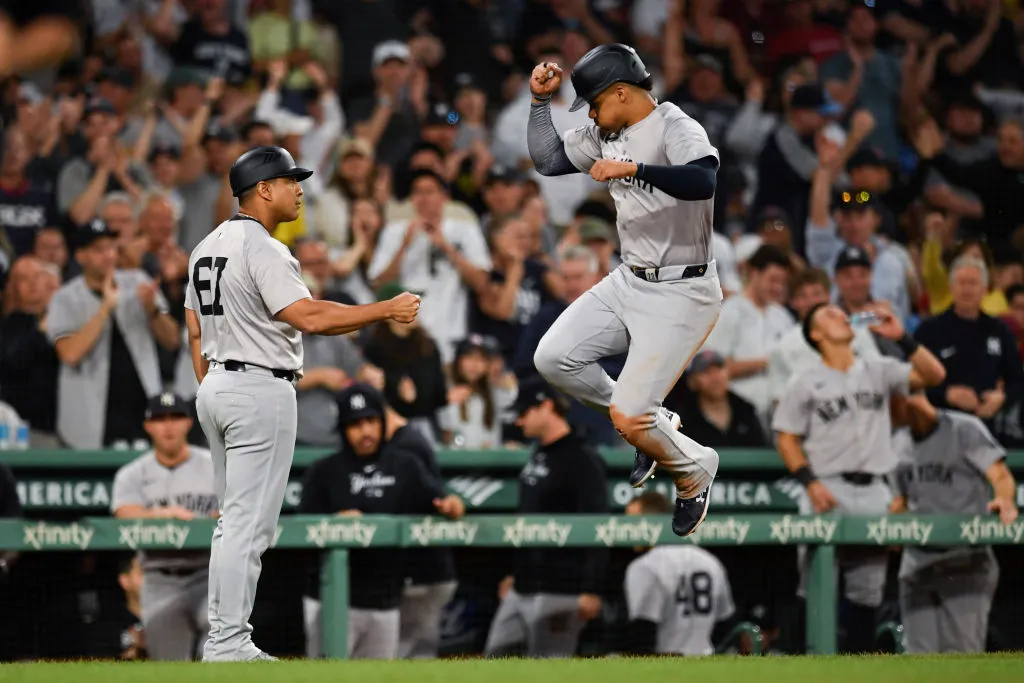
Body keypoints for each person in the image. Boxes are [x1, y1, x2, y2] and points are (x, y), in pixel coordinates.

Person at [184, 145, 421, 662]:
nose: (299, 189)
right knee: (248, 525)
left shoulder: (205, 246)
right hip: (257, 388)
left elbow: (194, 326)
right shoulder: (262, 247)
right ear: (262, 189)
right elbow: (307, 316)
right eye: (290, 181)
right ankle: (227, 642)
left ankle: (224, 638)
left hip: (219, 385)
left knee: (233, 522)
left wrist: (210, 385)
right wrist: (383, 308)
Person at [527, 43, 722, 537]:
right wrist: (537, 104)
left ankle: (693, 467)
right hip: (630, 278)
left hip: (684, 290)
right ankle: (653, 425)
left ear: (621, 91)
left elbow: (703, 181)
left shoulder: (675, 125)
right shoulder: (604, 131)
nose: (590, 115)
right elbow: (548, 160)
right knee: (553, 359)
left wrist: (634, 169)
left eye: (594, 103)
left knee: (632, 414)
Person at [772, 302, 946, 652]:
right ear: (816, 335)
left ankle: (858, 666)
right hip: (828, 487)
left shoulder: (878, 369)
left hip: (873, 491)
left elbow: (934, 376)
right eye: (828, 315)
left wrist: (903, 338)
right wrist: (811, 483)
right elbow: (786, 437)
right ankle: (795, 664)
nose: (840, 314)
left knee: (867, 592)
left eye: (840, 311)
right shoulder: (804, 380)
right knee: (815, 586)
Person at [298, 383, 464, 660]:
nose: (365, 431)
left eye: (371, 421)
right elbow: (302, 531)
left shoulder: (405, 465)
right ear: (342, 429)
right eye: (355, 424)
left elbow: (440, 502)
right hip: (333, 599)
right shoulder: (323, 472)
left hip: (385, 598)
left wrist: (453, 505)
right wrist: (332, 523)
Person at [484, 377, 608, 658]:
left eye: (525, 412)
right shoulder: (539, 452)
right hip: (525, 584)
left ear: (547, 406)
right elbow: (527, 516)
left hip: (561, 587)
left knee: (550, 668)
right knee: (494, 660)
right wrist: (515, 573)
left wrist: (591, 589)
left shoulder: (582, 460)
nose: (518, 421)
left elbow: (599, 526)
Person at [891, 392, 1018, 654]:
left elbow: (1001, 476)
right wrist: (894, 517)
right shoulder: (897, 442)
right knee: (918, 661)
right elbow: (900, 501)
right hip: (917, 562)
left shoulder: (964, 428)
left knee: (961, 659)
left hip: (965, 558)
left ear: (908, 399)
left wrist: (1004, 499)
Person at [45, 220, 180, 449]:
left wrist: (153, 310)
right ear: (80, 256)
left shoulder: (138, 281)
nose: (108, 255)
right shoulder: (65, 298)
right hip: (90, 421)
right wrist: (106, 307)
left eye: (111, 247)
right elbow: (69, 354)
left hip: (143, 413)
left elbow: (172, 340)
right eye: (98, 250)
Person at [111, 393, 217, 661]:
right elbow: (124, 513)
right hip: (159, 578)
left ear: (189, 423)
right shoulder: (132, 474)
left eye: (176, 418)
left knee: (218, 656)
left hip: (208, 575)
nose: (168, 426)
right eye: (159, 419)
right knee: (170, 669)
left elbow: (233, 509)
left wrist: (200, 521)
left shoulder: (215, 465)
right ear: (147, 426)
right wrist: (162, 514)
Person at [913, 255, 1023, 428]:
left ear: (985, 290)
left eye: (973, 283)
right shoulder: (929, 331)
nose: (967, 290)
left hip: (987, 427)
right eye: (961, 283)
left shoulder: (999, 331)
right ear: (951, 288)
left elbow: (1018, 381)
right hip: (941, 426)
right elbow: (911, 381)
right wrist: (946, 394)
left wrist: (1002, 398)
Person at [622, 491, 736, 656]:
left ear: (652, 522)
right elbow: (724, 625)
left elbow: (642, 632)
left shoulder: (644, 566)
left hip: (665, 665)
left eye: (633, 522)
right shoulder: (710, 561)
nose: (627, 529)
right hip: (707, 663)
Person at [704, 244, 795, 425]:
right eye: (773, 280)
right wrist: (767, 362)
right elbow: (712, 368)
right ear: (754, 274)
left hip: (778, 412)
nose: (777, 287)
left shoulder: (783, 316)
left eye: (782, 282)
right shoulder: (729, 311)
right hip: (739, 411)